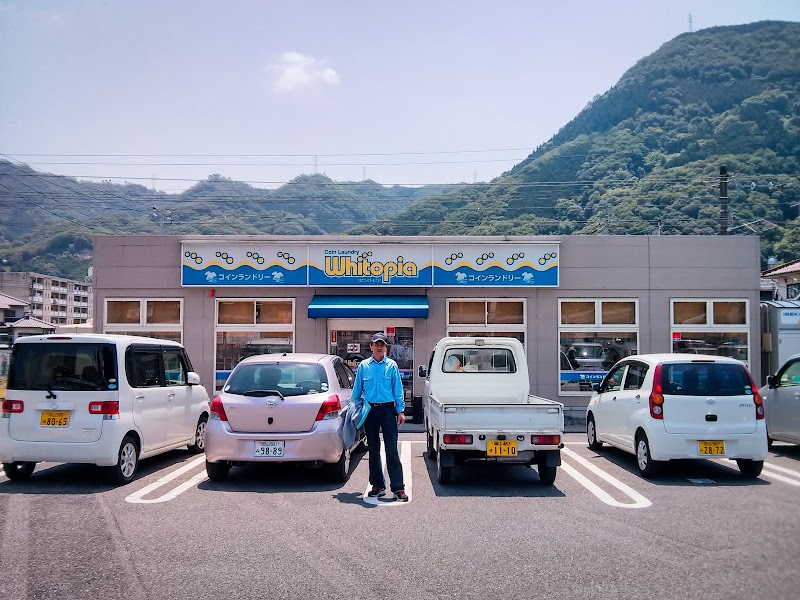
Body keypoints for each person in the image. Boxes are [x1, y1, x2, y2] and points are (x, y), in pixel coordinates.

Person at [351, 332, 408, 502]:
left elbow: (397, 389)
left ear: (385, 347)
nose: (379, 347)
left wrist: (401, 410)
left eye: (382, 344)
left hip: (388, 411)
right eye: (376, 344)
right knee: (373, 450)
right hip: (370, 411)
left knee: (391, 450)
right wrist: (354, 410)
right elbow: (356, 391)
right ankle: (377, 485)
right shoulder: (363, 366)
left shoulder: (392, 366)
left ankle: (398, 488)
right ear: (371, 346)